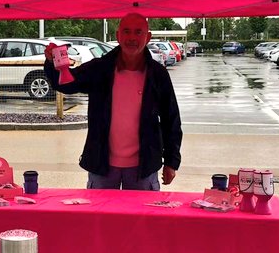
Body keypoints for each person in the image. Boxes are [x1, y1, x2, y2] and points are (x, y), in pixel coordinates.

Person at [44, 14, 182, 190]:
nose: (132, 37)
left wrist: (171, 161)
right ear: (118, 35)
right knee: (100, 210)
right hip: (102, 164)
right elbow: (66, 84)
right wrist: (52, 63)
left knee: (142, 210)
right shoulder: (99, 68)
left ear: (147, 37)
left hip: (144, 167)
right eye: (127, 31)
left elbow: (171, 119)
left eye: (138, 32)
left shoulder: (158, 75)